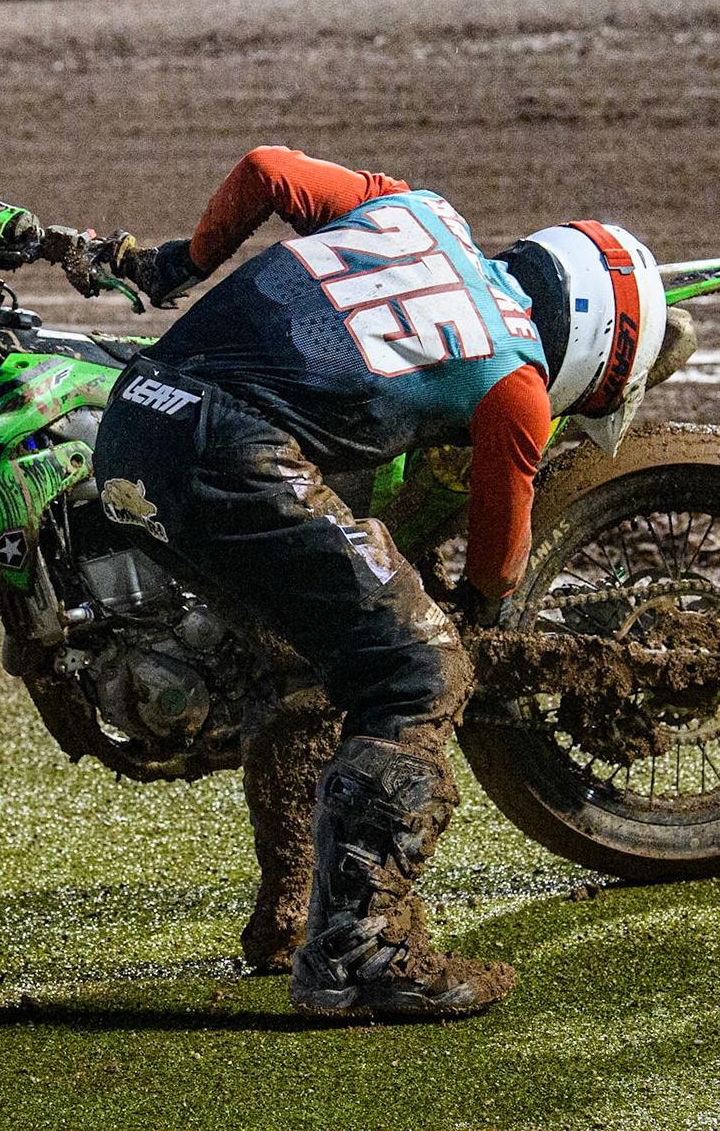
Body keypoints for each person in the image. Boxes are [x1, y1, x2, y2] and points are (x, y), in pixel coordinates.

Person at [92, 147, 670, 1016]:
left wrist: (183, 262)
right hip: (236, 457)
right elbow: (495, 567)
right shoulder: (516, 383)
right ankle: (357, 955)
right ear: (594, 354)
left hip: (134, 419)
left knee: (308, 639)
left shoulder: (418, 210)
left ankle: (296, 901)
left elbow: (264, 169)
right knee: (416, 670)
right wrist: (470, 613)